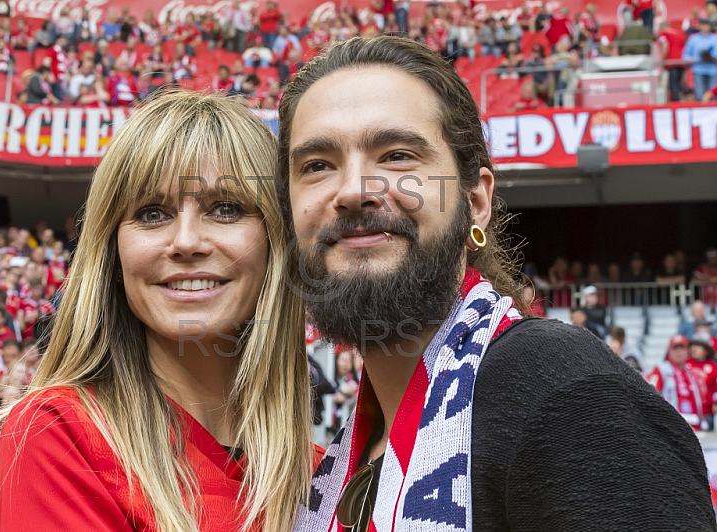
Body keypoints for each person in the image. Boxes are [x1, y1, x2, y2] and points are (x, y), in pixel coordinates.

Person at [277, 36, 714, 531]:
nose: (354, 190)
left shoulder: (567, 394)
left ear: (477, 201)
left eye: (398, 155)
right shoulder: (351, 450)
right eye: (317, 166)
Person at [0, 92, 315, 532]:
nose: (186, 241)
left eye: (226, 208)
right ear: (113, 251)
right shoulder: (59, 435)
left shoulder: (330, 477)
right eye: (151, 213)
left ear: (277, 242)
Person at [647, 335, 707, 431]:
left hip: (695, 426)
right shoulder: (660, 369)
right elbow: (651, 395)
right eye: (675, 349)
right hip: (673, 427)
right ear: (669, 351)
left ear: (687, 351)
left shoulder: (693, 372)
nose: (679, 352)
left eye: (682, 348)